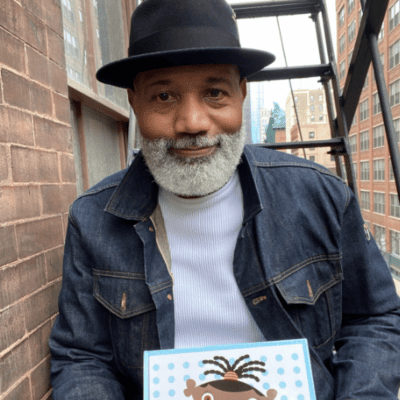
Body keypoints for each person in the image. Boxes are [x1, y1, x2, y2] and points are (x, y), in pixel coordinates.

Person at [49, 0, 400, 399]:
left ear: (241, 94)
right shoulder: (93, 220)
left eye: (214, 92)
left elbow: (375, 318)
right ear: (134, 102)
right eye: (164, 96)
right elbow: (81, 357)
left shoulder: (321, 197)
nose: (193, 123)